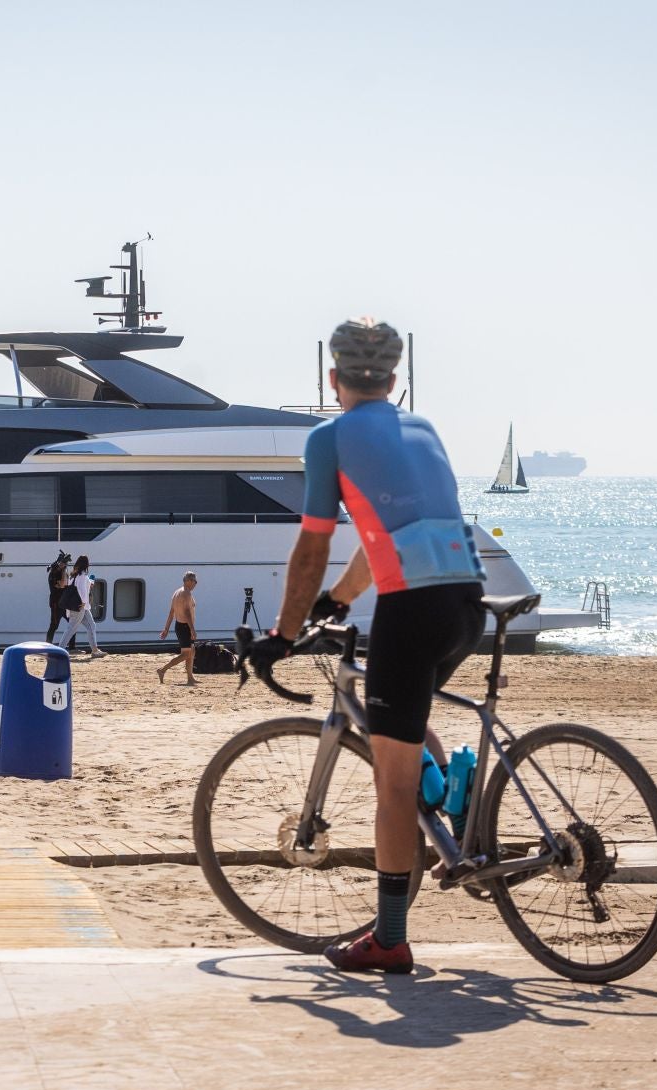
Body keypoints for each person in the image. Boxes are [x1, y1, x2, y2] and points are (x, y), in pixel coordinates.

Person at [247, 316, 486, 976]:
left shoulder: (328, 439)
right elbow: (394, 534)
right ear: (394, 380)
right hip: (467, 602)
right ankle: (456, 802)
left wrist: (282, 633)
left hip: (413, 614)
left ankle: (389, 938)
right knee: (407, 730)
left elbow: (313, 544)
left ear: (333, 378)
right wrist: (343, 598)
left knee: (392, 783)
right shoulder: (425, 428)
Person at [157, 572, 200, 685]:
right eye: (195, 581)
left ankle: (190, 678)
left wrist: (166, 629)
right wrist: (192, 629)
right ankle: (163, 670)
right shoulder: (186, 593)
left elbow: (172, 612)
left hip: (180, 625)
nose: (196, 584)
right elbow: (187, 613)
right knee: (186, 654)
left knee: (192, 651)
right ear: (188, 581)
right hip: (184, 626)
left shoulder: (177, 592)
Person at [59, 554, 105, 657]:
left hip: (77, 606)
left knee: (91, 625)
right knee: (71, 629)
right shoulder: (83, 575)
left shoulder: (74, 575)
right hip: (80, 606)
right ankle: (60, 650)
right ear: (86, 564)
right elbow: (82, 590)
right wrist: (83, 602)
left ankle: (95, 650)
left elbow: (86, 585)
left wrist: (91, 580)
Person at [45, 552, 71, 644]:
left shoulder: (60, 571)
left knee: (72, 623)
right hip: (56, 603)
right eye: (63, 563)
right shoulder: (54, 573)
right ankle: (48, 645)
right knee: (54, 625)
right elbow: (63, 584)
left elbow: (67, 583)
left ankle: (72, 647)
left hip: (63, 603)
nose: (64, 565)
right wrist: (64, 570)